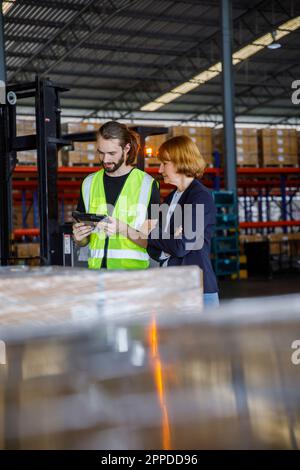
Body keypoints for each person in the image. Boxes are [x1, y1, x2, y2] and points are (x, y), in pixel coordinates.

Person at [101, 135, 219, 308]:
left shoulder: (200, 196)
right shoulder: (171, 198)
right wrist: (166, 237)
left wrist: (155, 234)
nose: (159, 170)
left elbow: (180, 246)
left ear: (180, 161)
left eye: (164, 163)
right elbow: (153, 250)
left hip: (196, 291)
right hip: (172, 289)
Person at [72, 121, 160, 270]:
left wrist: (123, 228)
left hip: (133, 276)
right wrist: (79, 238)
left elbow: (153, 242)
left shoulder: (147, 184)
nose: (105, 160)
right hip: (97, 274)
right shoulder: (88, 183)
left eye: (112, 153)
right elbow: (84, 239)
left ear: (126, 148)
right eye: (101, 152)